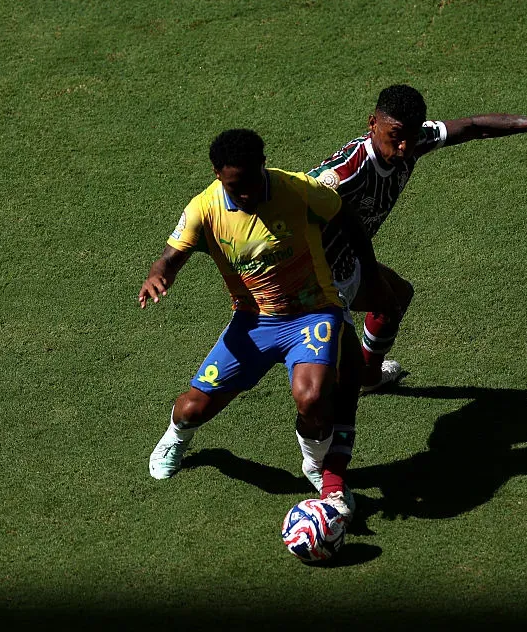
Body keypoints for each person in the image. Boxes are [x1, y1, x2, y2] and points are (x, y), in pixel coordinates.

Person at [138, 128, 383, 513]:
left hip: (314, 312)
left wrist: (370, 272)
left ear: (263, 165)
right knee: (192, 409)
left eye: (253, 180)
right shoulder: (203, 209)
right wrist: (159, 274)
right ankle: (177, 436)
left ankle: (315, 465)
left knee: (313, 396)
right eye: (238, 187)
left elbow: (345, 218)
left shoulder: (297, 189)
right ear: (217, 173)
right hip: (254, 322)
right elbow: (170, 256)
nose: (249, 193)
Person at [308, 86, 527, 392]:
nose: (404, 147)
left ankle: (368, 376)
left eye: (411, 136)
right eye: (395, 136)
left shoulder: (413, 141)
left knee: (395, 296)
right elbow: (287, 202)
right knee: (326, 388)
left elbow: (473, 126)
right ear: (372, 124)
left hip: (347, 261)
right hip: (314, 277)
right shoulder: (346, 172)